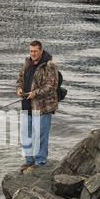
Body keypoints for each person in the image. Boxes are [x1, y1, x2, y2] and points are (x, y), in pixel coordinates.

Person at [16, 40, 59, 172]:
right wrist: (19, 89)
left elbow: (51, 86)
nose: (33, 54)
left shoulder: (49, 65)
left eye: (35, 51)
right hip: (26, 105)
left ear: (41, 50)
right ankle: (29, 161)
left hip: (42, 107)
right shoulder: (27, 63)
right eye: (31, 51)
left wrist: (35, 93)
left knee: (40, 135)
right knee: (26, 134)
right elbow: (20, 79)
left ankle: (40, 162)